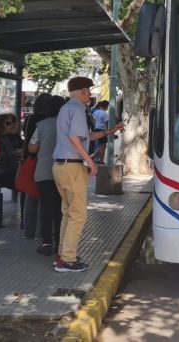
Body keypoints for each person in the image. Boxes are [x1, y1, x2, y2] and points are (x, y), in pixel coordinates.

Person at [52, 77, 125, 272]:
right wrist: (90, 161)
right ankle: (68, 259)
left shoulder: (66, 109)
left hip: (60, 166)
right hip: (72, 167)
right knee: (78, 215)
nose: (90, 94)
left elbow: (86, 136)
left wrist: (109, 131)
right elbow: (75, 138)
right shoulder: (77, 109)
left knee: (68, 212)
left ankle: (62, 254)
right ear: (81, 91)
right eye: (88, 90)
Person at [27, 96, 67, 257]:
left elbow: (32, 149)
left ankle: (46, 243)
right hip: (64, 171)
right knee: (60, 208)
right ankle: (60, 242)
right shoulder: (67, 125)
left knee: (46, 208)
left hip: (43, 172)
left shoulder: (41, 125)